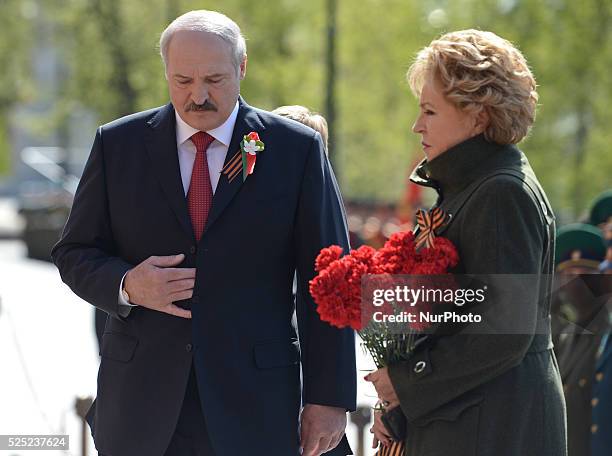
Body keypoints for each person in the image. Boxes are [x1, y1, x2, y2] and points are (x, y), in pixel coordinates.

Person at [51, 10, 355, 456]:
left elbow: (330, 277)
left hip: (257, 404)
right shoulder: (118, 145)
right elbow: (75, 252)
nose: (198, 96)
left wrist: (329, 397)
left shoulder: (295, 150)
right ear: (166, 73)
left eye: (215, 79)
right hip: (142, 406)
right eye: (183, 81)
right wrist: (127, 285)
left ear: (242, 67)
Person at [365, 30, 566, 455]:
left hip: (492, 432)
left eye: (430, 111)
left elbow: (501, 335)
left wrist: (407, 381)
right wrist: (403, 407)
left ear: (477, 115)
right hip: (473, 426)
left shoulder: (500, 193)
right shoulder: (475, 187)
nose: (416, 125)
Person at [553, 223, 609, 456]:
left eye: (585, 275)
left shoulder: (607, 335)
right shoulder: (565, 337)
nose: (576, 283)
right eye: (569, 275)